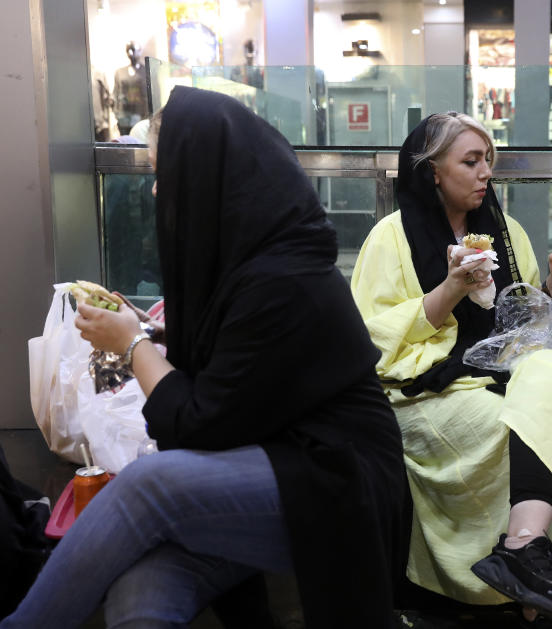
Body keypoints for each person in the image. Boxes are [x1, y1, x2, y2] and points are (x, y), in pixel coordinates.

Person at [1, 86, 406, 628]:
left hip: (335, 482)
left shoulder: (285, 279)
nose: (153, 191)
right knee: (140, 585)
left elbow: (198, 424)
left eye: (162, 174)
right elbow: (238, 384)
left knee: (147, 487)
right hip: (277, 467)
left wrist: (133, 345)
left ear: (207, 178)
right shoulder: (252, 263)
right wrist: (152, 338)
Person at [350, 112, 552, 627]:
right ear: (433, 172)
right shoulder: (390, 237)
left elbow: (533, 326)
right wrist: (450, 288)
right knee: (515, 428)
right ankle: (526, 582)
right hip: (423, 389)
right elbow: (372, 343)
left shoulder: (506, 233)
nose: (485, 173)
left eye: (488, 160)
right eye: (470, 161)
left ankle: (523, 547)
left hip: (504, 373)